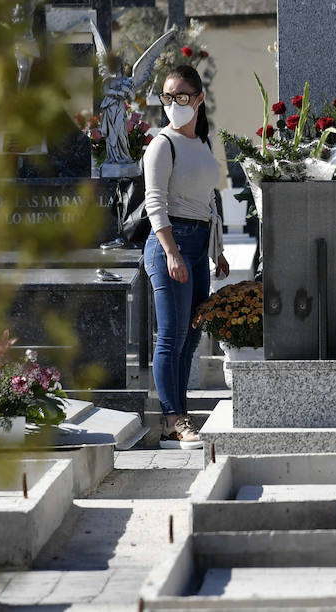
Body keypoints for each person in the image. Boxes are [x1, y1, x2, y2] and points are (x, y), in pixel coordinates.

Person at [142, 64, 229, 448]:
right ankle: (173, 417)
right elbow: (154, 204)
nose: (173, 103)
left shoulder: (201, 142)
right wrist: (171, 252)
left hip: (197, 246)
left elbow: (209, 200)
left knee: (191, 337)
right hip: (170, 244)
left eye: (181, 95)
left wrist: (218, 252)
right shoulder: (163, 144)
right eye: (167, 96)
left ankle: (175, 415)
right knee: (171, 338)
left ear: (198, 99)